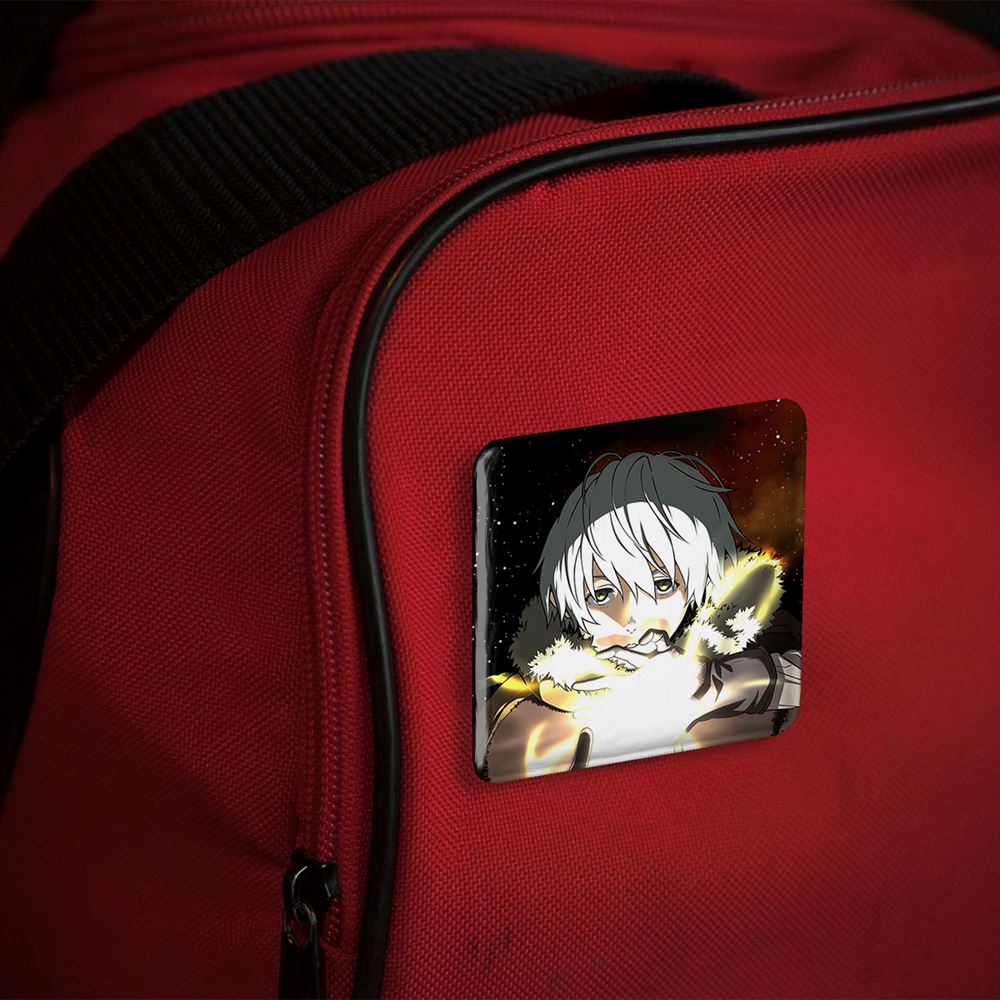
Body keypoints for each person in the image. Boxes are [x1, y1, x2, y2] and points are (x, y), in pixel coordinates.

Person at [484, 451, 801, 782]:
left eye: (663, 586)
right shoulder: (520, 702)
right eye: (602, 594)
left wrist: (712, 682)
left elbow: (807, 691)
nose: (633, 616)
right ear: (560, 598)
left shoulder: (730, 658)